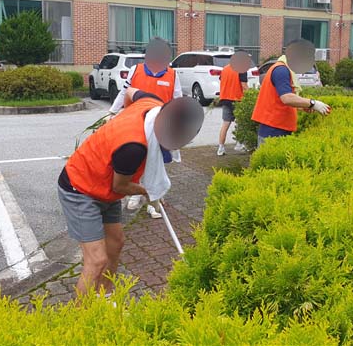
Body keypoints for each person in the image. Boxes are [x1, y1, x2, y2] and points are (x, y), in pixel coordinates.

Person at [58, 91, 203, 296]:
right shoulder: (133, 147)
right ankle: (81, 318)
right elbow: (121, 186)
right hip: (80, 187)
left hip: (105, 188)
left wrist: (121, 116)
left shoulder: (153, 102)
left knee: (115, 244)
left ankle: (105, 296)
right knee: (97, 260)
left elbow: (130, 91)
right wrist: (148, 192)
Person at [108, 38, 181, 218]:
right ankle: (136, 193)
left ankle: (153, 201)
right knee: (138, 159)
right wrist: (112, 112)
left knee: (158, 161)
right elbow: (125, 92)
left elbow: (177, 100)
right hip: (136, 123)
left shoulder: (172, 75)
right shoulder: (136, 70)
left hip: (160, 125)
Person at [252, 39, 331, 145]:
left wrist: (302, 106)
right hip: (274, 130)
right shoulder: (282, 70)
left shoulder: (283, 68)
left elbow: (279, 100)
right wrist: (313, 103)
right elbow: (287, 98)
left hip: (275, 127)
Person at [217, 51, 251, 156]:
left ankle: (220, 148)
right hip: (237, 99)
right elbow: (244, 86)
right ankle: (239, 145)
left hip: (225, 99)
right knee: (241, 123)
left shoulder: (225, 69)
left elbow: (222, 81)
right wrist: (251, 96)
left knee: (225, 124)